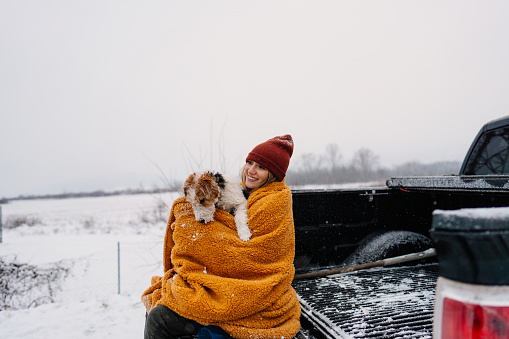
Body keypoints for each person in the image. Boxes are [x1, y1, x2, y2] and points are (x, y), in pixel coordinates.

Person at [142, 134, 301, 339]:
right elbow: (223, 227)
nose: (251, 170)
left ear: (273, 174)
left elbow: (254, 254)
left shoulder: (276, 200)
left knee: (159, 318)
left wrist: (196, 231)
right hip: (228, 284)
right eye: (249, 163)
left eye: (261, 167)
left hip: (254, 294)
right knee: (159, 310)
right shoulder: (241, 191)